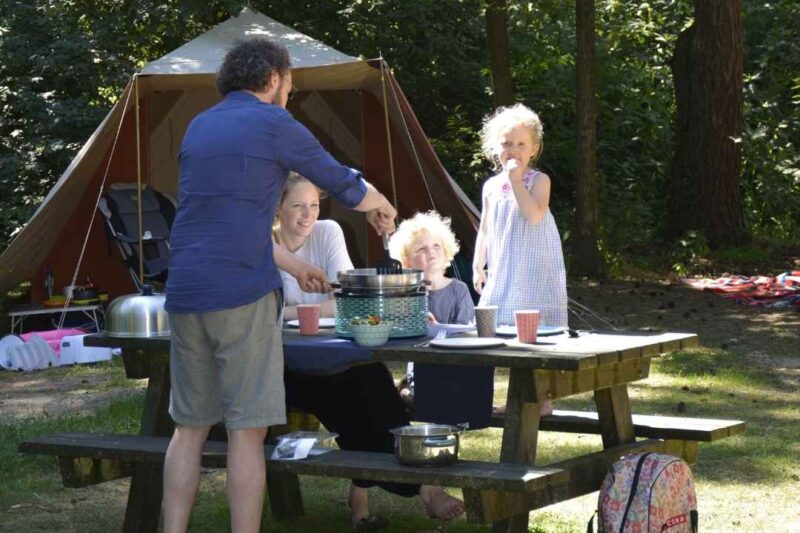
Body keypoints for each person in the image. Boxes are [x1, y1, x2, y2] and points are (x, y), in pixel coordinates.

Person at [162, 38, 396, 533]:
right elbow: (339, 180)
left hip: (184, 290)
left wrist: (290, 265)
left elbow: (223, 222)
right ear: (272, 79)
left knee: (188, 430)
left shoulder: (199, 126)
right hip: (240, 293)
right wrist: (380, 203)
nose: (290, 91)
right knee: (248, 433)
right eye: (290, 81)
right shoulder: (272, 122)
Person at [275, 174, 465, 530]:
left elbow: (349, 298)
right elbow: (264, 312)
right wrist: (314, 309)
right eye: (297, 206)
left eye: (313, 205)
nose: (307, 216)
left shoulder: (328, 232)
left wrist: (293, 312)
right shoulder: (263, 244)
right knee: (352, 412)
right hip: (289, 366)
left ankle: (415, 488)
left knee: (375, 385)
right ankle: (419, 487)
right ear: (277, 207)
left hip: (339, 355)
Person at [472, 103, 569, 417]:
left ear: (534, 149)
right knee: (500, 327)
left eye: (521, 144)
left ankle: (544, 399)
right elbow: (485, 228)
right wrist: (478, 263)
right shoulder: (490, 187)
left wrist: (516, 181)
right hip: (505, 267)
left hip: (535, 266)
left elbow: (533, 213)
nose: (513, 150)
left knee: (536, 329)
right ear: (495, 147)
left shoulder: (538, 181)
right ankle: (509, 394)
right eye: (506, 144)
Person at [390, 211, 494, 429]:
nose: (431, 253)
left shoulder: (459, 290)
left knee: (483, 367)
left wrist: (439, 329)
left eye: (436, 246)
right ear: (407, 259)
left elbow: (465, 333)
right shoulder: (407, 292)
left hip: (454, 367)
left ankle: (470, 417)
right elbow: (395, 331)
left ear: (446, 251)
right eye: (422, 249)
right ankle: (411, 395)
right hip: (423, 371)